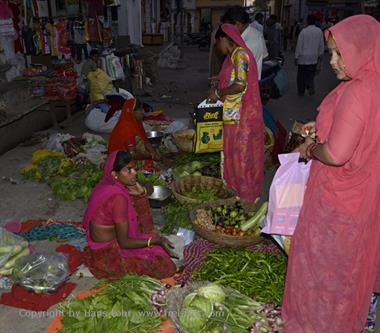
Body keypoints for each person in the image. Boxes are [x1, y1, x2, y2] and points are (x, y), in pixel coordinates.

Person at [282, 15, 380, 333]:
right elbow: (359, 134)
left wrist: (312, 149)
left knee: (324, 272)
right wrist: (322, 130)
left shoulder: (357, 92)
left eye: (340, 54)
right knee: (347, 272)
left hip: (338, 202)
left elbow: (336, 155)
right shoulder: (373, 84)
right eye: (332, 54)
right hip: (363, 198)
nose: (334, 62)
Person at [83, 150, 177, 280]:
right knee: (167, 267)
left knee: (139, 199)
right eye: (128, 170)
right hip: (108, 254)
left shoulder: (108, 184)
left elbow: (148, 188)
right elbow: (125, 243)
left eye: (134, 169)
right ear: (114, 174)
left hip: (104, 243)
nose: (134, 173)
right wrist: (156, 241)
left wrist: (141, 191)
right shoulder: (118, 198)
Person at [207, 23, 264, 202]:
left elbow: (240, 84)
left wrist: (218, 93)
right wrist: (219, 80)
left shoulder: (241, 55)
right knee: (232, 154)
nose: (217, 47)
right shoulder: (232, 58)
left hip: (242, 117)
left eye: (217, 43)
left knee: (241, 157)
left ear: (224, 39)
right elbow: (235, 77)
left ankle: (245, 196)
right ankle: (234, 191)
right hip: (232, 115)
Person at [221, 6, 268, 80]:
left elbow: (239, 80)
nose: (227, 31)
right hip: (254, 82)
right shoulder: (257, 34)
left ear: (237, 24)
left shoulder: (244, 45)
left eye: (228, 27)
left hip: (244, 86)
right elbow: (265, 57)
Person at [294, 14, 324, 96]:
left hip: (303, 58)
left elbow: (299, 45)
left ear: (307, 21)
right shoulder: (319, 31)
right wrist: (320, 55)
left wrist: (296, 57)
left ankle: (301, 91)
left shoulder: (303, 32)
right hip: (314, 58)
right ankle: (310, 85)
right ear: (315, 21)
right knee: (311, 74)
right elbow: (321, 45)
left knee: (301, 76)